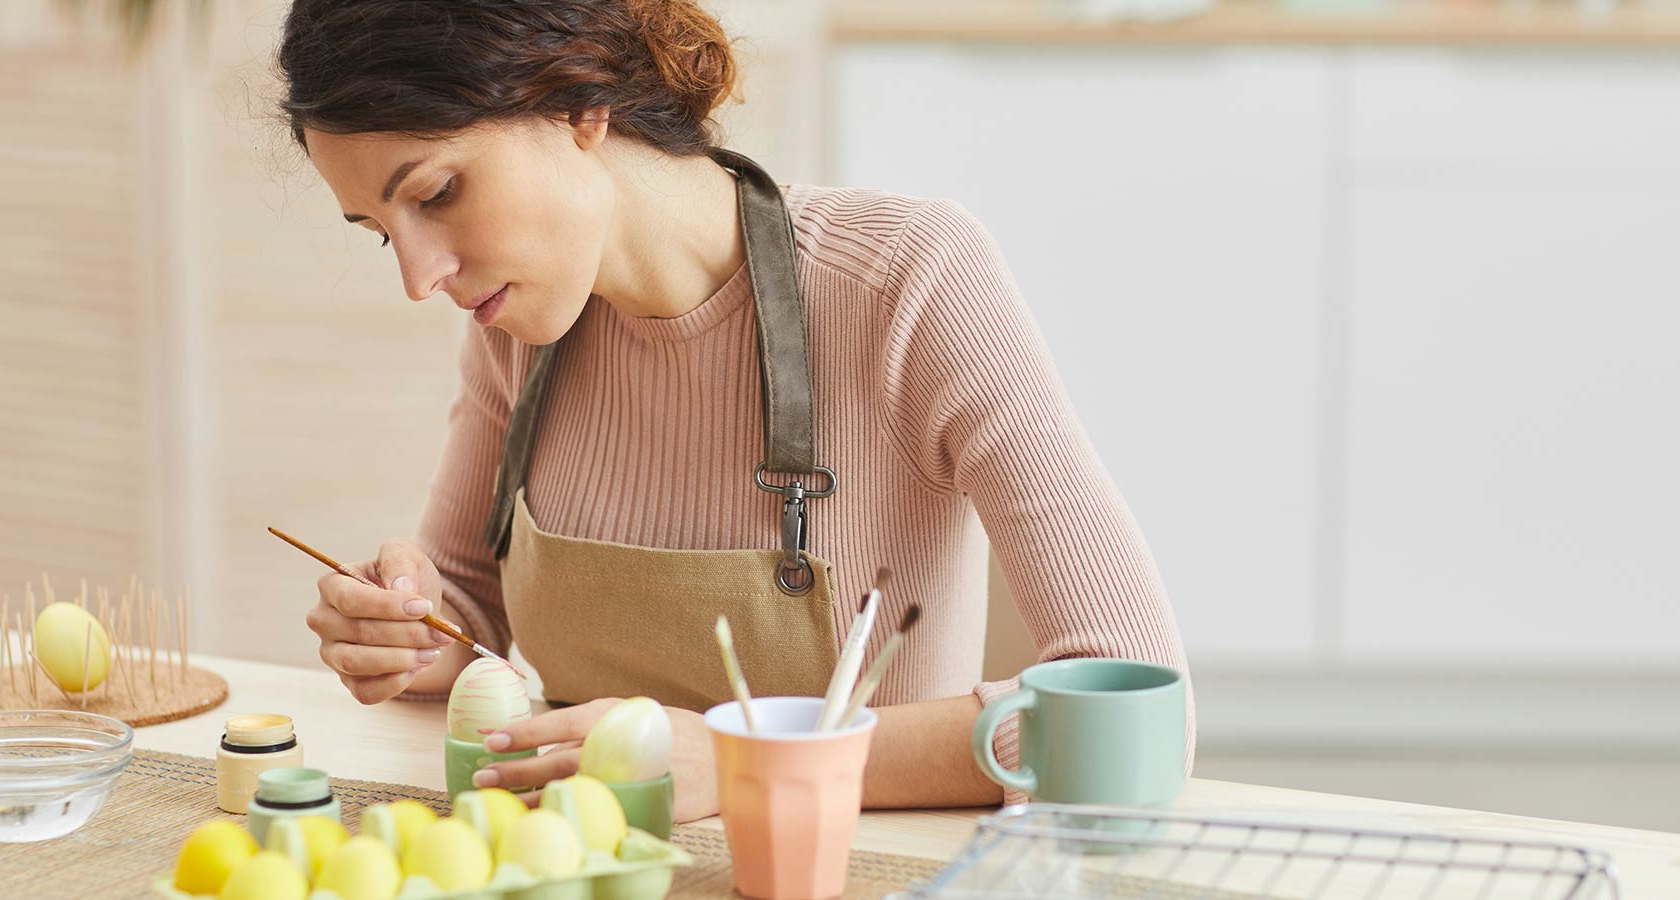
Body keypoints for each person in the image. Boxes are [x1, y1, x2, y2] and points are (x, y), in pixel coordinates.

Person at [280, 0, 1190, 822]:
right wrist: (407, 633)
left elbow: (1136, 718)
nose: (418, 275)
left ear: (579, 104)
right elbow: (469, 613)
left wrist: (751, 761)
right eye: (381, 233)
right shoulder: (517, 324)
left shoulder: (906, 281)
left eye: (437, 193)